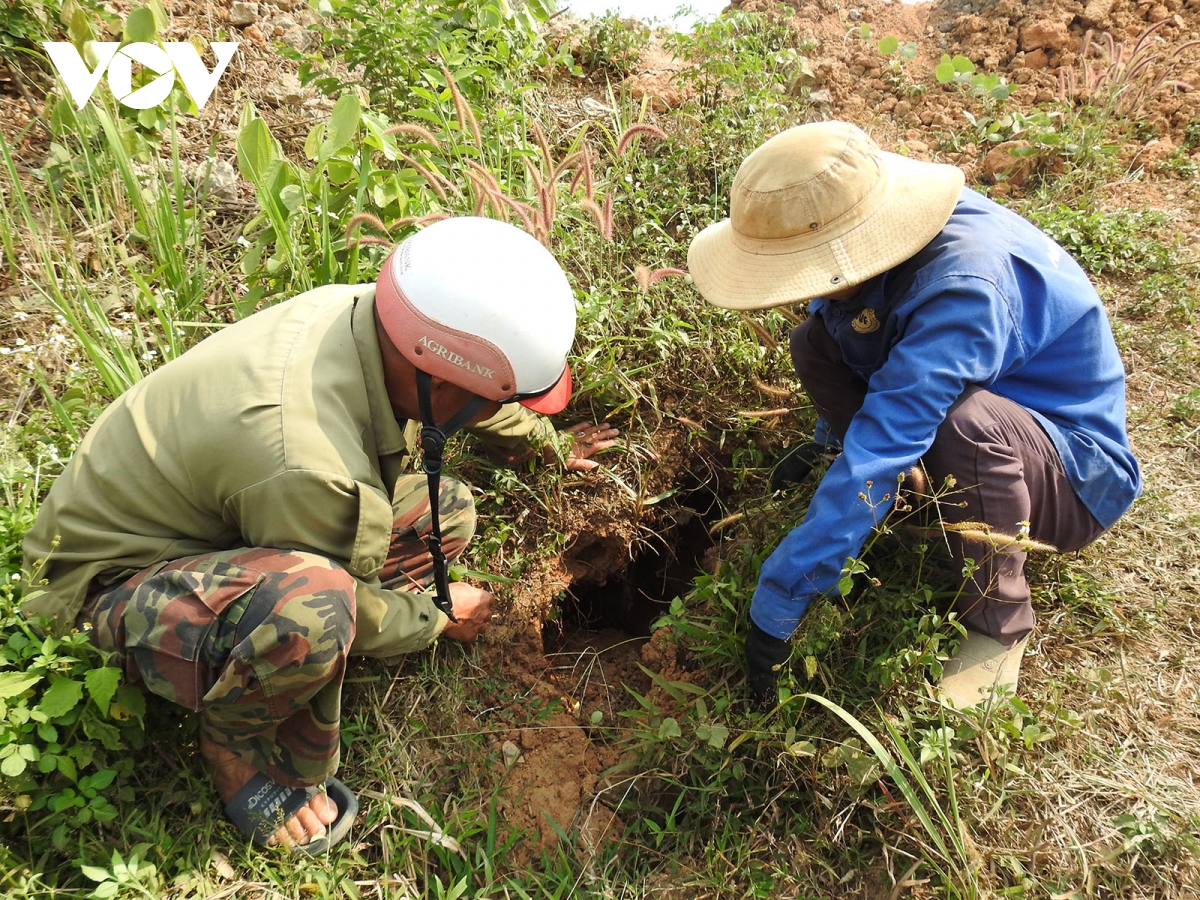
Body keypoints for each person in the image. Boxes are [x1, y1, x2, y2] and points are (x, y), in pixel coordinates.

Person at [21, 217, 619, 851]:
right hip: (106, 585)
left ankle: (282, 610)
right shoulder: (311, 460)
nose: (500, 412)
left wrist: (546, 446)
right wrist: (436, 619)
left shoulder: (382, 317)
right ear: (441, 380)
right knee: (316, 607)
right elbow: (343, 589)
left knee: (446, 510)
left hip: (215, 518)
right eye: (492, 400)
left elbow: (471, 398)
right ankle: (239, 746)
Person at [686, 121, 1140, 709]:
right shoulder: (867, 227)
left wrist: (778, 602)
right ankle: (898, 485)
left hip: (1073, 473)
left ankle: (998, 623)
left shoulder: (963, 288)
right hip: (985, 408)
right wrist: (838, 438)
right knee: (813, 340)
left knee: (962, 424)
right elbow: (850, 333)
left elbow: (894, 426)